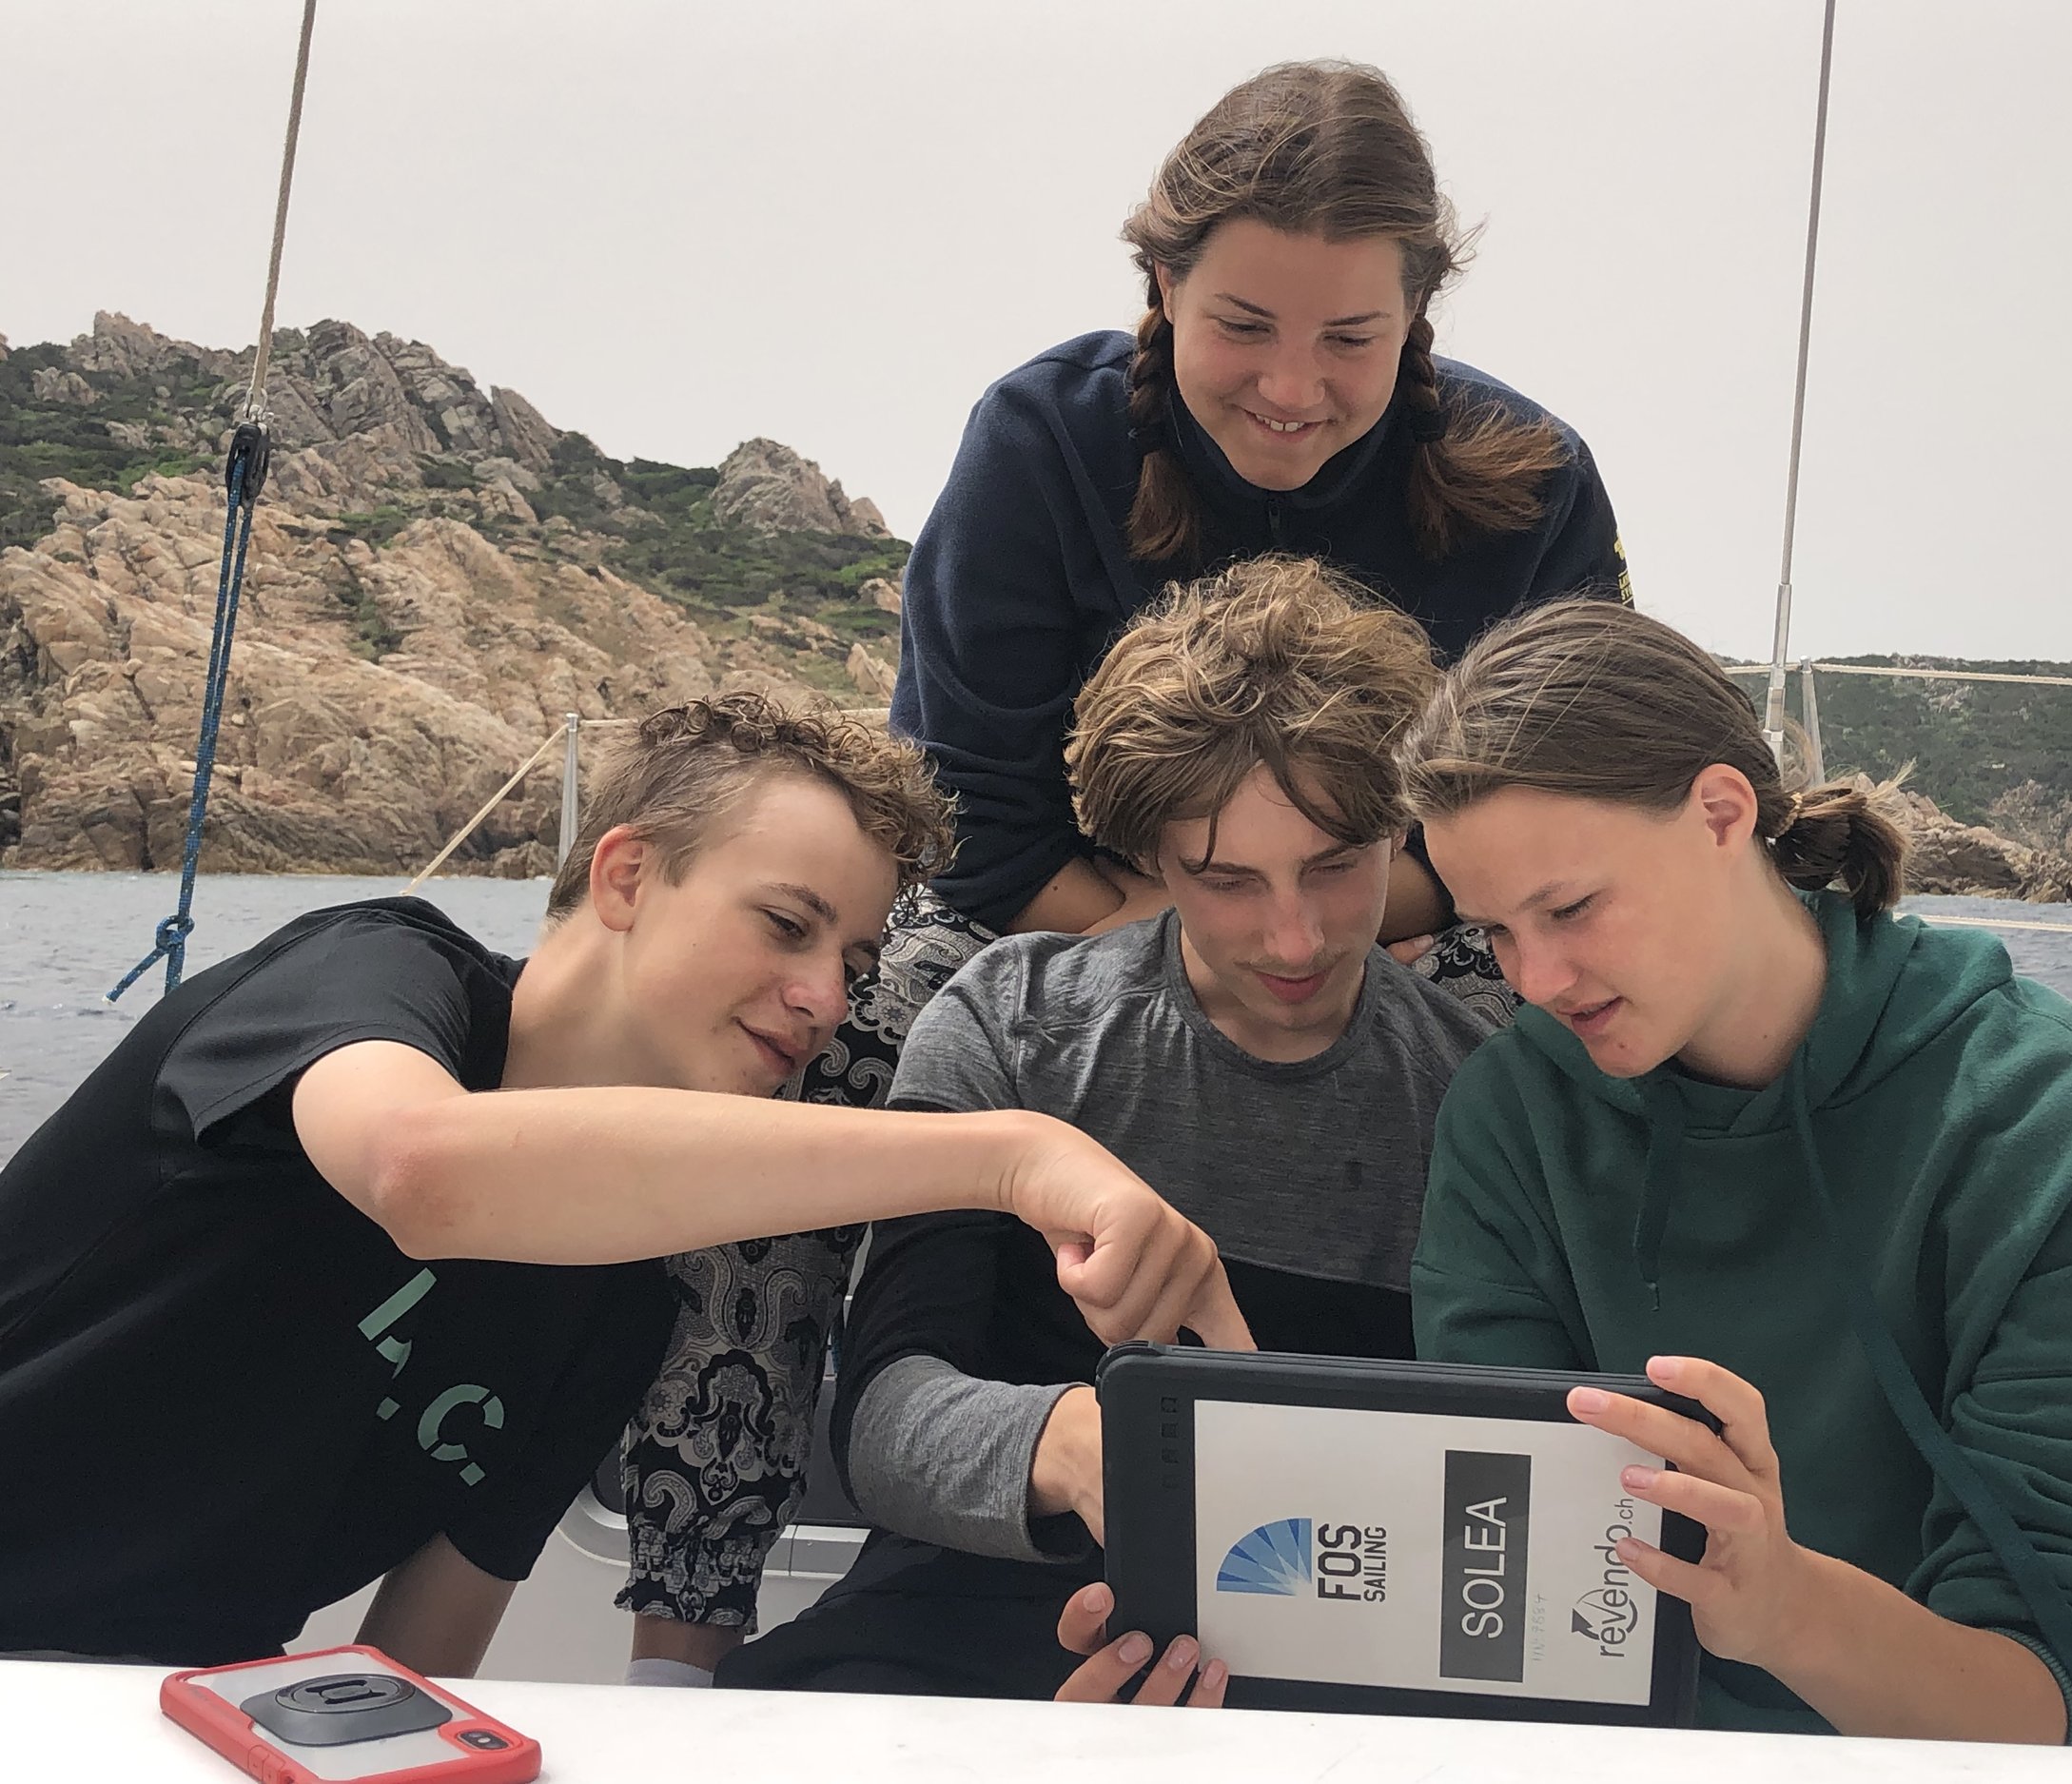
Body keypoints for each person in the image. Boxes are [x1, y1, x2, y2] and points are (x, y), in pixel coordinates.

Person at [621, 55, 1633, 1674]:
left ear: (1416, 316)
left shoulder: (1535, 480)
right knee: (793, 1079)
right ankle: (685, 1635)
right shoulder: (1042, 440)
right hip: (1050, 902)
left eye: (1351, 337)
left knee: (1602, 1061)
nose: (1293, 385)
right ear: (1160, 284)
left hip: (1410, 901)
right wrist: (1195, 932)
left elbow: (1562, 798)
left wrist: (1307, 908)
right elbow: (982, 818)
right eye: (1246, 324)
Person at [0, 694, 1243, 1674]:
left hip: (159, 1708)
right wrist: (1007, 1156)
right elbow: (419, 1171)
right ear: (627, 876)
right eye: (787, 924)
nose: (826, 998)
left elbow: (416, 1665)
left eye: (857, 962)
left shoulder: (616, 1302)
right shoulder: (370, 976)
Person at [1390, 600, 2072, 1745]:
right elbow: (1512, 1583)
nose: (1531, 980)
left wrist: (1783, 1608)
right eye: (1491, 931)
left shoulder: (2034, 1115)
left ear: (1720, 813)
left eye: (1570, 908)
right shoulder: (1510, 1114)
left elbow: (2051, 1707)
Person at [713, 559, 1495, 1700]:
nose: (1293, 937)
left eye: (1335, 866)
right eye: (1226, 880)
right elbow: (881, 1422)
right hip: (968, 1617)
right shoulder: (1006, 1022)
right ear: (1149, 860)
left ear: (1402, 835)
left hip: (1340, 1651)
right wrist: (1077, 1447)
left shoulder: (1479, 1096)